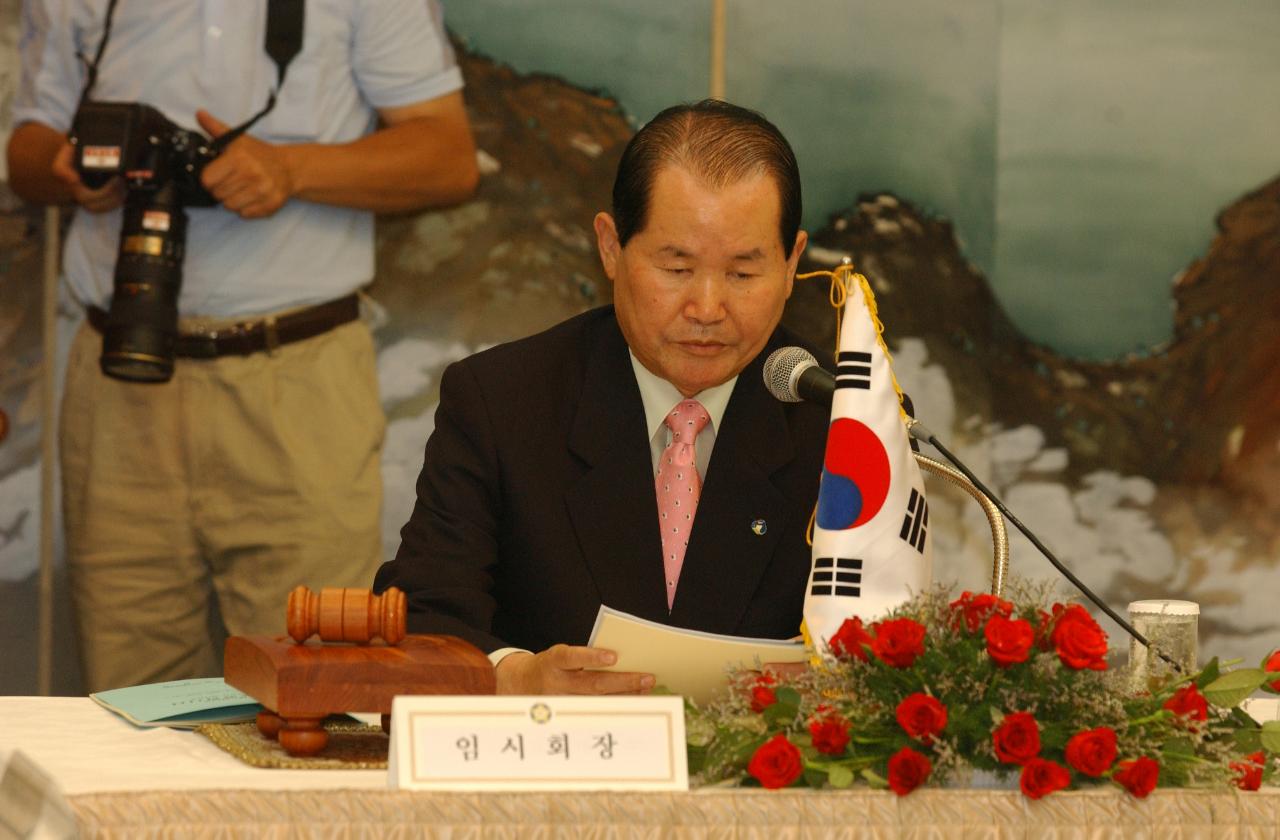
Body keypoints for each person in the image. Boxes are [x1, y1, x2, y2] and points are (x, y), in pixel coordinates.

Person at [6, 0, 479, 692]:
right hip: (120, 380)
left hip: (296, 377)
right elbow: (27, 148)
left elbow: (447, 155)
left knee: (320, 697)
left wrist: (290, 170)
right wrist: (72, 169)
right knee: (130, 704)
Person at [374, 99, 828, 695]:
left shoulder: (839, 420)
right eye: (676, 268)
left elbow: (882, 641)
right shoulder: (504, 402)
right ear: (611, 248)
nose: (708, 308)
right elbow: (422, 615)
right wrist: (515, 678)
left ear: (793, 263)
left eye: (743, 274)